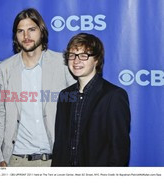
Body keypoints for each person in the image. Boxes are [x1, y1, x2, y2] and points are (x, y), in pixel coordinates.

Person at [0, 8, 75, 167]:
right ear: (15, 36)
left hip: (56, 160)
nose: (26, 36)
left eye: (31, 29)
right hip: (16, 160)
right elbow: (2, 113)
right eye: (21, 31)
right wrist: (1, 156)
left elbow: (75, 110)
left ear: (42, 31)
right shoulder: (4, 68)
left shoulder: (63, 63)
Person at [51, 33, 131, 166]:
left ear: (97, 60)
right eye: (72, 55)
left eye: (83, 55)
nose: (76, 61)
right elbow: (59, 145)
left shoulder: (114, 96)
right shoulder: (64, 95)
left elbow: (119, 152)